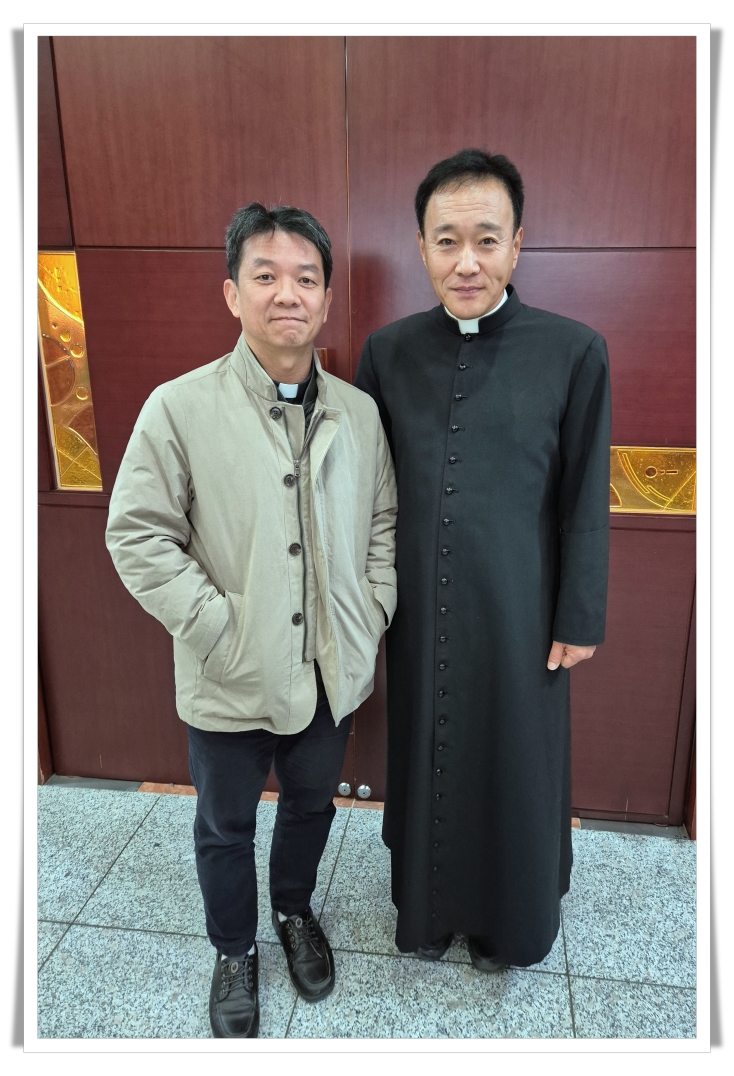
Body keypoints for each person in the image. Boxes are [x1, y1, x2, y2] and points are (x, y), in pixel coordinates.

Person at [106, 203, 397, 1037]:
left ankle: (293, 911)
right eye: (265, 275)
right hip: (228, 673)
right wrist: (215, 628)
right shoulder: (179, 407)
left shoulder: (359, 412)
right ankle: (234, 949)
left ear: (327, 298)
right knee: (226, 825)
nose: (287, 293)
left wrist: (371, 609)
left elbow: (384, 524)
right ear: (232, 293)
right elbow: (137, 534)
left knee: (311, 807)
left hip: (329, 670)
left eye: (306, 278)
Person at [354, 149, 611, 972]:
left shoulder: (574, 351)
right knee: (425, 752)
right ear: (422, 247)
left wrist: (579, 615)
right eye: (447, 241)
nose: (467, 262)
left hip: (520, 611)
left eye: (487, 240)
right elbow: (367, 492)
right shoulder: (387, 353)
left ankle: (511, 925)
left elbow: (584, 496)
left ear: (517, 243)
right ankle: (428, 915)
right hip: (419, 614)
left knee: (516, 763)